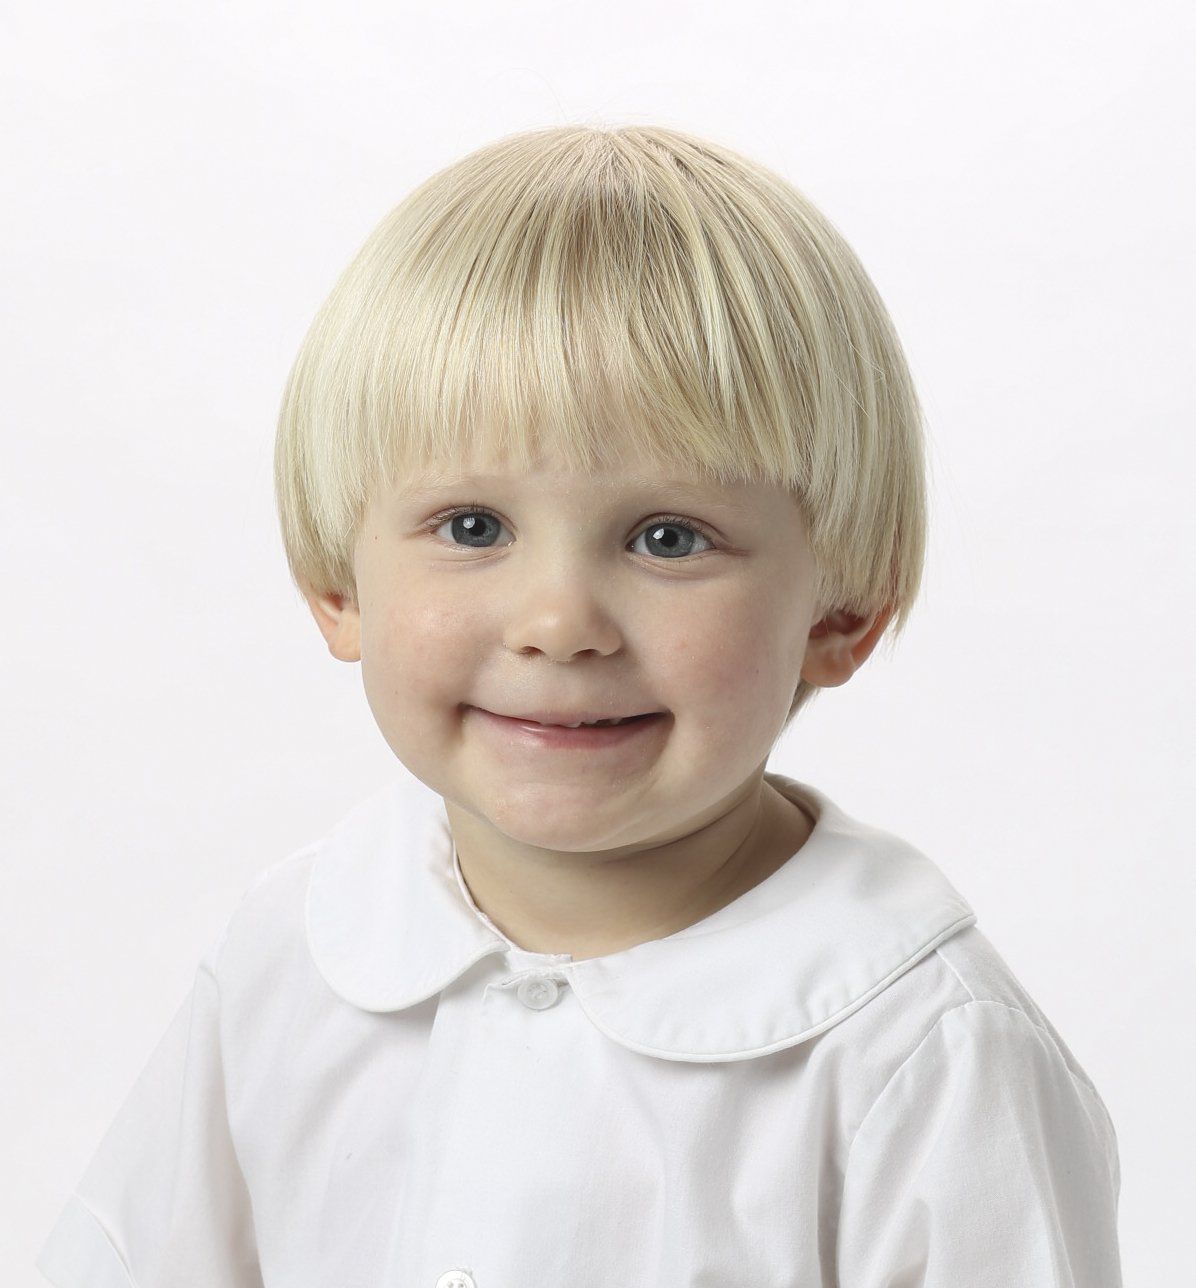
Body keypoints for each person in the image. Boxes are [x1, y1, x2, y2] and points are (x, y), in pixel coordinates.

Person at [36, 124, 1123, 1287]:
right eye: (472, 527)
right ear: (337, 585)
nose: (558, 620)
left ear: (838, 610)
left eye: (667, 538)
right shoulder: (290, 952)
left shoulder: (925, 1059)